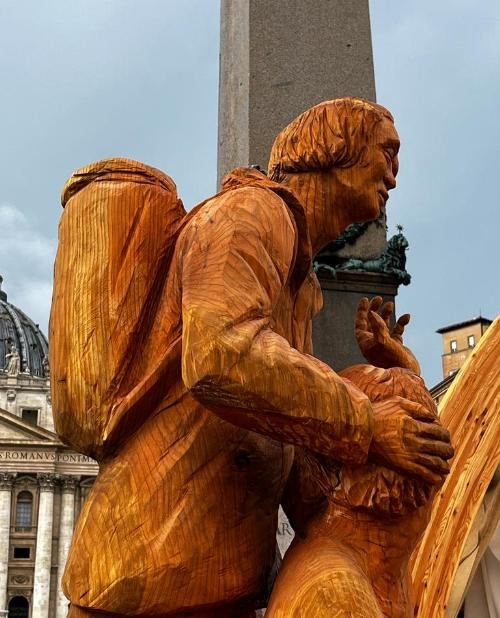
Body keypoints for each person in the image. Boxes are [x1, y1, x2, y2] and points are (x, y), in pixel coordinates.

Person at [58, 98, 452, 617]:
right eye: (387, 153)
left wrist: (401, 376)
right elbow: (221, 354)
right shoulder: (250, 215)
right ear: (334, 149)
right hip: (151, 576)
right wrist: (369, 422)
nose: (394, 178)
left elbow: (293, 449)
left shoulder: (299, 273)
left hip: (216, 581)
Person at [266, 364, 441, 618]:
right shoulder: (338, 597)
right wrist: (368, 423)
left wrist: (406, 371)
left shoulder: (382, 571)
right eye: (428, 445)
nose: (438, 483)